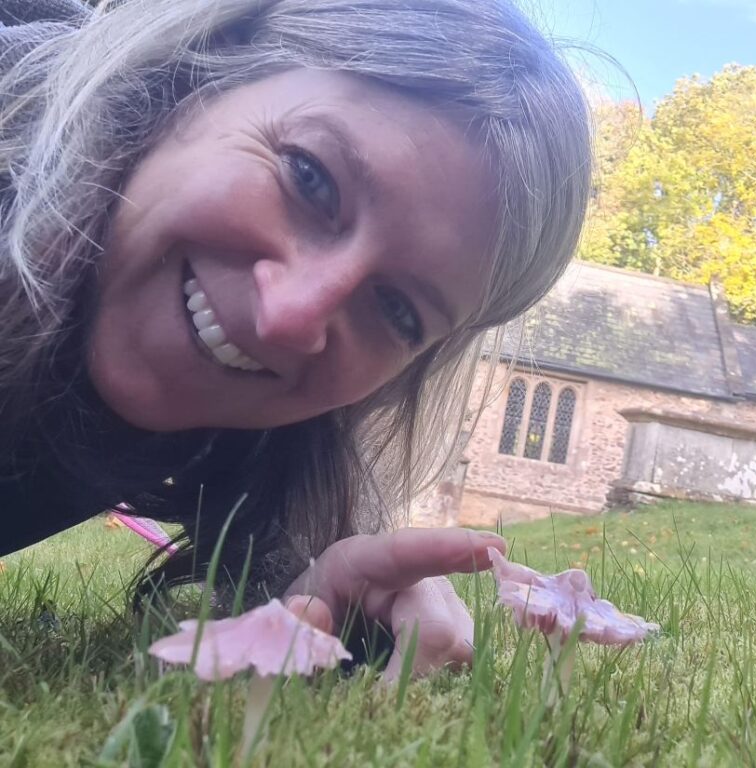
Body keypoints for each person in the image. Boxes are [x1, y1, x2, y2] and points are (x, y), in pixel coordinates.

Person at [0, 0, 591, 679]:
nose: (289, 317)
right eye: (307, 177)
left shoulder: (267, 433)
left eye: (397, 310)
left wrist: (324, 586)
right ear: (199, 76)